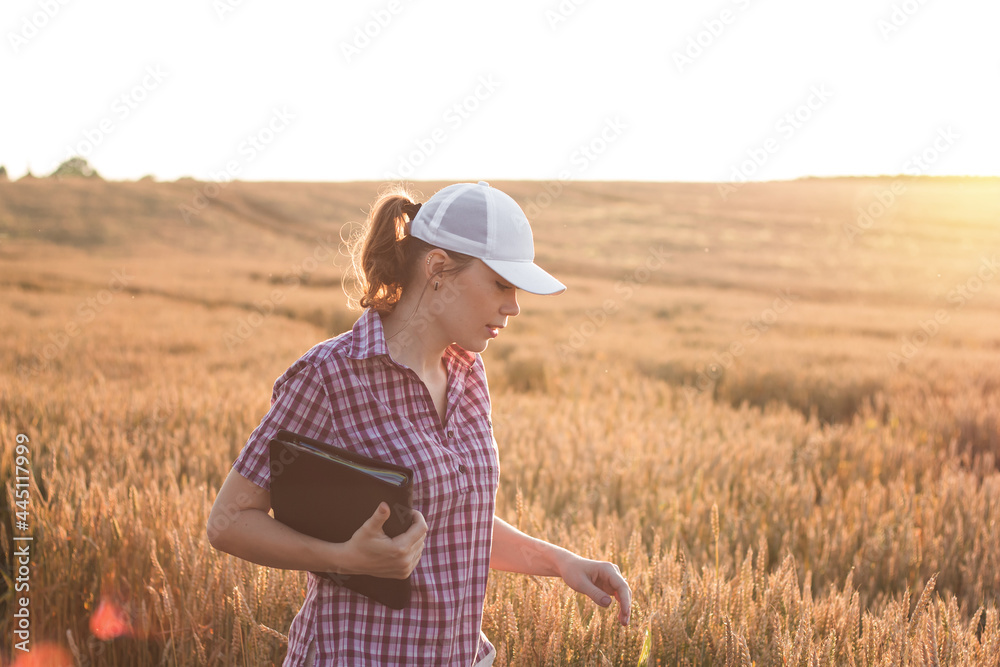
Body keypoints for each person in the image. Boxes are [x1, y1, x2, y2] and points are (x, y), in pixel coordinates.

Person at [207, 181, 631, 666]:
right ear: (437, 270)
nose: (513, 306)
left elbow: (451, 517)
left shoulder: (468, 373)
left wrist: (560, 562)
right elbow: (228, 522)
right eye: (500, 283)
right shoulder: (331, 375)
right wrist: (345, 558)